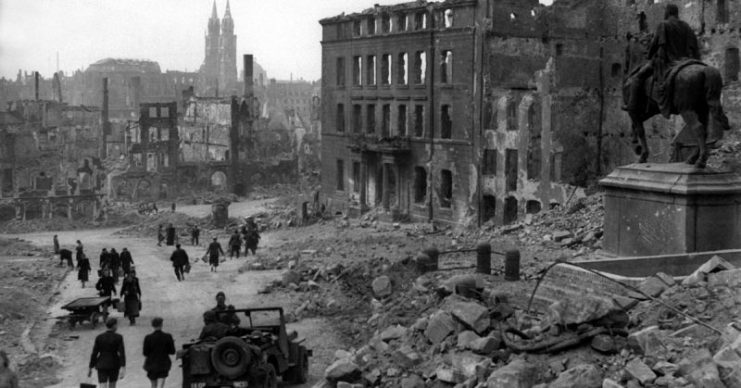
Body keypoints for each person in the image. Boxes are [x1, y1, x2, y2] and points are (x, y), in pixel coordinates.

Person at [624, 4, 700, 115]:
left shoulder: (663, 25)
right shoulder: (686, 26)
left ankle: (632, 105)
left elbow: (655, 45)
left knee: (638, 77)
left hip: (667, 63)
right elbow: (693, 45)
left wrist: (649, 55)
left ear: (668, 12)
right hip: (685, 62)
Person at [88, 318, 126, 388]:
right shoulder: (118, 337)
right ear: (114, 326)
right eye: (116, 325)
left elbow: (94, 353)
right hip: (114, 364)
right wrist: (123, 366)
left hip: (101, 364)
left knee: (102, 385)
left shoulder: (99, 337)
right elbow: (122, 353)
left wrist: (90, 367)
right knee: (112, 385)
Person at [142, 317, 175, 388]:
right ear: (161, 325)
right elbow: (172, 352)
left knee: (153, 385)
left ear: (152, 325)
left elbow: (145, 353)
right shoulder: (168, 336)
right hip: (164, 364)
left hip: (151, 364)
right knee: (161, 385)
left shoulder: (148, 338)